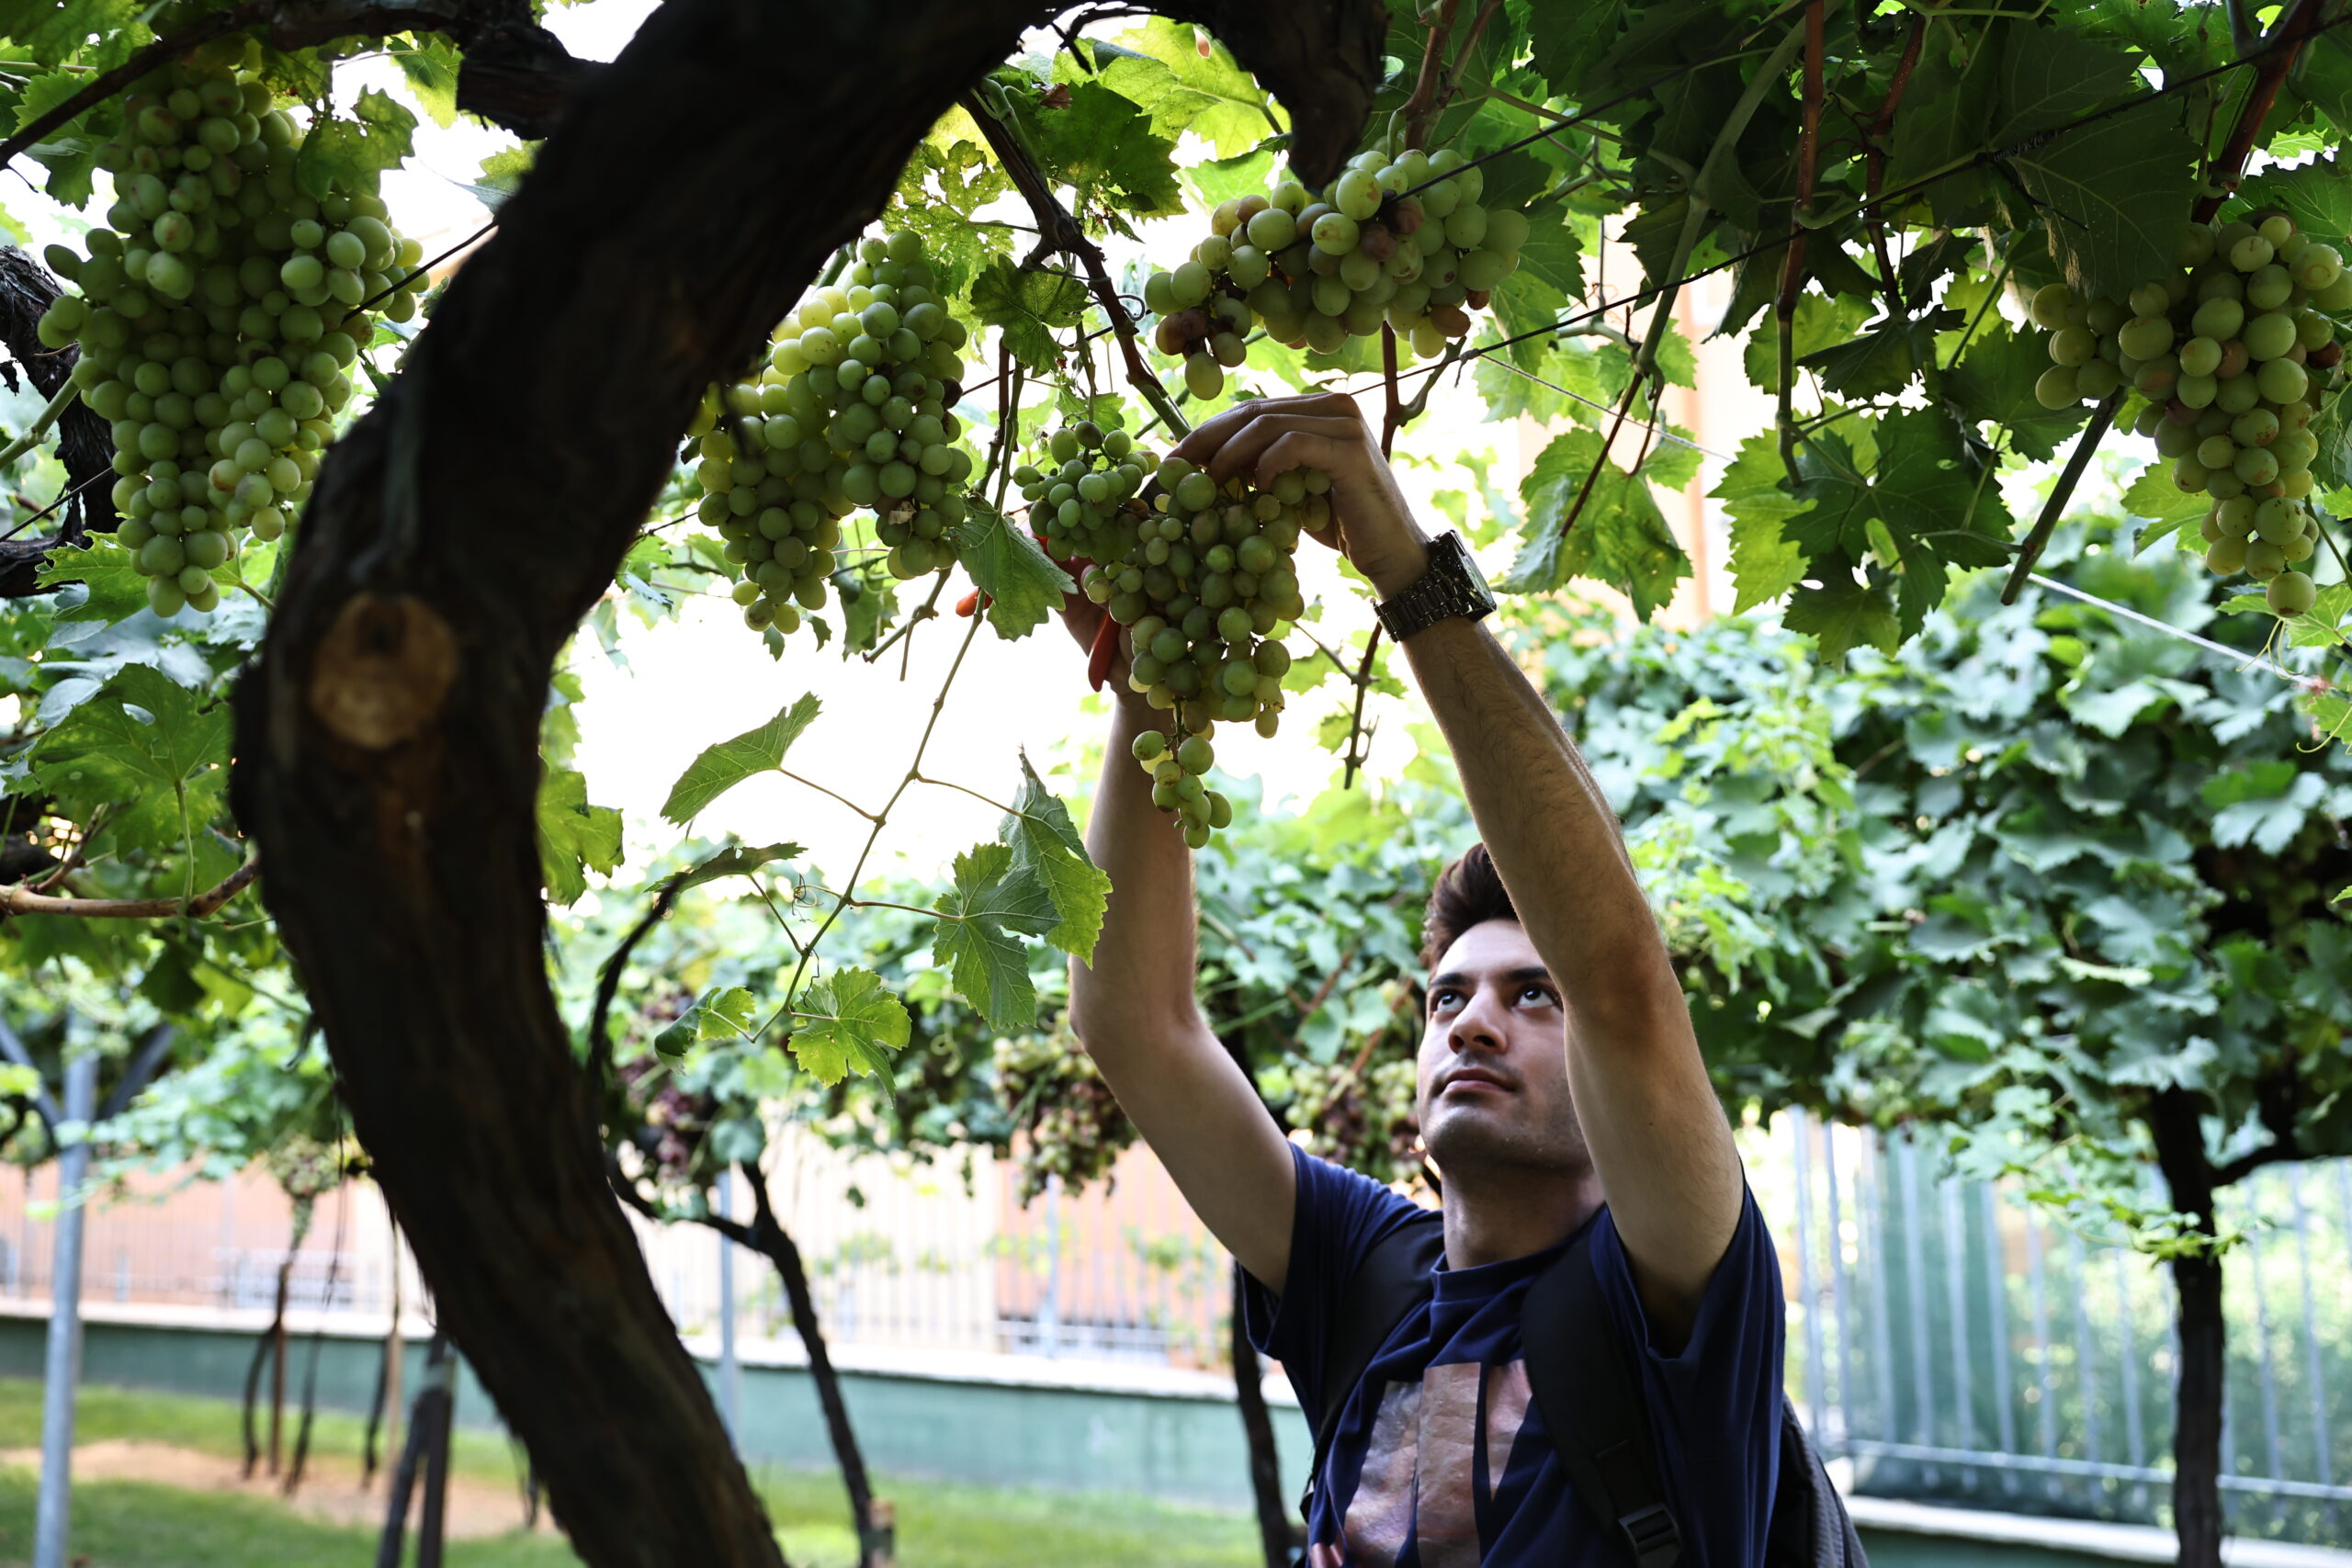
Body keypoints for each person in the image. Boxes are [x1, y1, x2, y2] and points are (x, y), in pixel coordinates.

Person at [1060, 391, 1784, 1566]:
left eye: (1526, 994)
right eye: (1448, 997)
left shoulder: (1673, 1288)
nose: (1472, 1022)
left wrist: (1405, 568)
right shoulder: (1364, 1269)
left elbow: (1620, 981)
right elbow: (1135, 1023)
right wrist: (1155, 667)